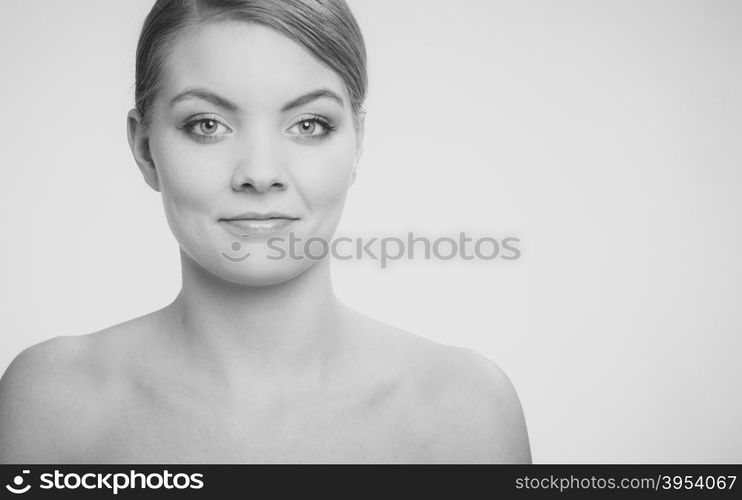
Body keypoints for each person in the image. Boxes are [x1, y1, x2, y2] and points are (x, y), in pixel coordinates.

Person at [0, 0, 531, 463]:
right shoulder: (53, 402)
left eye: (308, 125)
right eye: (207, 124)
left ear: (358, 143)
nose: (259, 172)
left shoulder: (464, 411)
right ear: (145, 149)